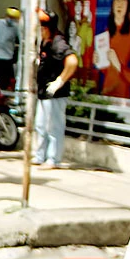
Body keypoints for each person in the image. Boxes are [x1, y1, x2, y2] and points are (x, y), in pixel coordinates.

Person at [34, 10, 78, 169]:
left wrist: (60, 81)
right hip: (44, 92)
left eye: (43, 26)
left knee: (54, 127)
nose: (41, 28)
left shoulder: (58, 42)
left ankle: (53, 159)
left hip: (55, 94)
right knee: (40, 125)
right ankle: (40, 156)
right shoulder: (45, 41)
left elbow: (72, 61)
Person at [94, 0, 130, 99]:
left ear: (128, 4)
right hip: (106, 92)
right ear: (113, 3)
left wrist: (118, 64)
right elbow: (108, 71)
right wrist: (99, 62)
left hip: (122, 95)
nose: (120, 4)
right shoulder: (107, 31)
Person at [0, 7, 20, 91]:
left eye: (13, 18)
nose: (11, 19)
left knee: (4, 82)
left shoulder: (16, 28)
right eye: (9, 16)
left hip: (7, 58)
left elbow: (20, 40)